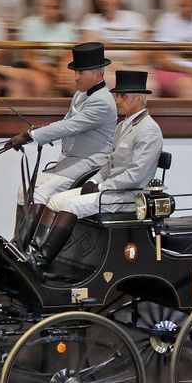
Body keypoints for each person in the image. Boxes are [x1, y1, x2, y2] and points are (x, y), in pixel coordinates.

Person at [27, 70, 164, 269]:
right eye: (117, 95)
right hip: (110, 190)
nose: (117, 100)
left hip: (127, 196)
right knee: (56, 200)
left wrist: (102, 187)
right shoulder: (122, 126)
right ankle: (34, 248)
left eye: (122, 96)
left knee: (72, 206)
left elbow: (136, 176)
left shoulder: (149, 131)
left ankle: (43, 259)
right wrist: (95, 180)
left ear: (138, 98)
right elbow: (109, 163)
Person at [4, 42, 116, 225]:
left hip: (87, 165)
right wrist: (38, 132)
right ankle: (18, 241)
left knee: (41, 194)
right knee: (25, 190)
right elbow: (65, 123)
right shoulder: (81, 94)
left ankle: (33, 246)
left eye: (80, 73)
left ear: (97, 73)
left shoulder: (102, 102)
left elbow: (71, 126)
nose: (75, 77)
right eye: (75, 72)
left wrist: (29, 136)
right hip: (69, 163)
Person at [17, 0, 82, 96]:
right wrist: (53, 71)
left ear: (61, 9)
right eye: (47, 7)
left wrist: (62, 71)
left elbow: (70, 55)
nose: (51, 11)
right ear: (40, 8)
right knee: (41, 83)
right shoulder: (29, 24)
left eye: (55, 7)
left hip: (62, 67)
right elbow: (29, 58)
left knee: (75, 81)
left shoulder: (69, 27)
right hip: (36, 68)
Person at [80, 0, 150, 70]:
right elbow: (88, 52)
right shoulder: (90, 20)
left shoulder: (137, 18)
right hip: (102, 67)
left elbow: (145, 51)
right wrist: (115, 66)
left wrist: (127, 65)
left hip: (134, 66)